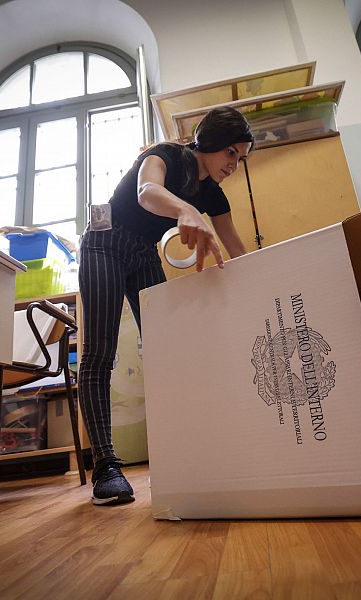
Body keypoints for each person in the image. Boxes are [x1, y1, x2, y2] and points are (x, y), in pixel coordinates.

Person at [78, 107, 253, 505]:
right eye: (231, 153)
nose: (234, 165)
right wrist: (185, 210)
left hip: (143, 254)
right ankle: (105, 466)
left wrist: (265, 282)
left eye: (240, 158)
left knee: (168, 351)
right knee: (99, 352)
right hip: (104, 241)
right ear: (209, 142)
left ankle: (184, 452)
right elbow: (147, 192)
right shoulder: (167, 155)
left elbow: (237, 248)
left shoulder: (213, 193)